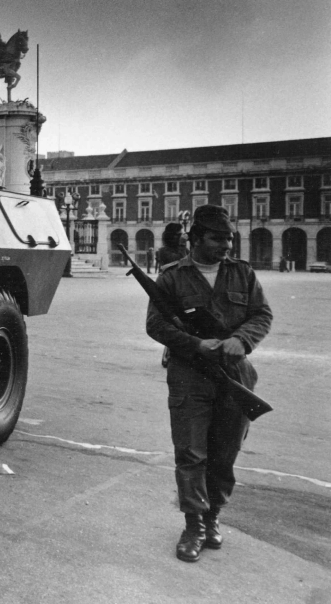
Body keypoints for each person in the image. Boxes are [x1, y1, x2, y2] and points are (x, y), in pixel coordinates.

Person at [145, 205, 272, 563]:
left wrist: (242, 340)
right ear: (195, 238)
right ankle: (193, 525)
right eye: (218, 238)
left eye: (229, 238)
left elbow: (262, 314)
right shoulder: (171, 277)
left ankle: (213, 517)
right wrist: (195, 344)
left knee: (224, 453)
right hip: (189, 374)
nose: (227, 245)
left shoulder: (242, 274)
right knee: (190, 453)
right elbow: (156, 325)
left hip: (234, 373)